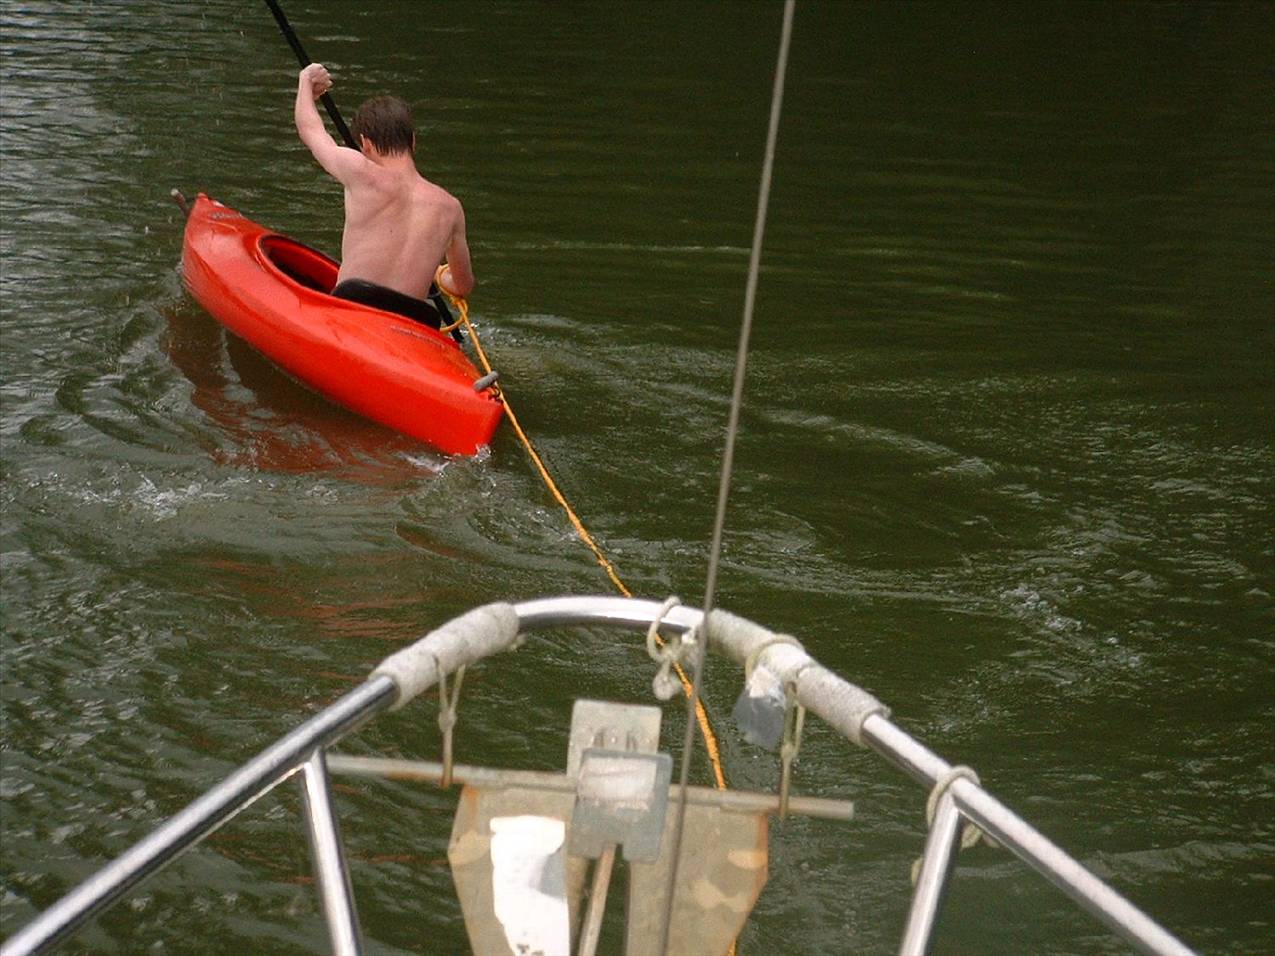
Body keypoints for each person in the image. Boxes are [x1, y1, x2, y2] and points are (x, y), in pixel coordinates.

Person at [294, 63, 474, 329]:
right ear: (413, 141)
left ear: (365, 144)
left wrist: (305, 81)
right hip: (411, 323)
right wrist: (442, 277)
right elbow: (463, 285)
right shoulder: (450, 207)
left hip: (352, 309)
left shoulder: (359, 171)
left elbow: (310, 130)